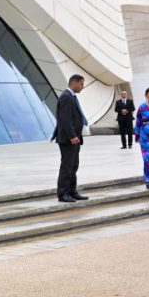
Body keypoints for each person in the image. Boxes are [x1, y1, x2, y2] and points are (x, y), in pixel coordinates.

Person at [51, 74, 89, 203]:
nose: (82, 87)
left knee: (73, 166)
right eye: (81, 84)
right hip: (68, 139)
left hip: (75, 139)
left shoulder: (71, 96)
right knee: (67, 166)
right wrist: (72, 136)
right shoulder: (66, 97)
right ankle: (63, 194)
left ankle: (72, 192)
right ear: (74, 83)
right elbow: (65, 120)